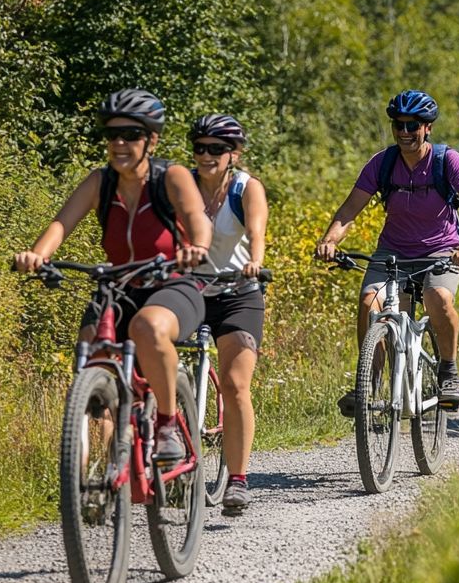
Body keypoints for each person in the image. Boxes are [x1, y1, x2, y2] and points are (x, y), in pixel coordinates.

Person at [13, 89, 211, 461]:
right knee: (90, 345)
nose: (120, 143)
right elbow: (62, 222)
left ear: (151, 139)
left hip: (172, 283)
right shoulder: (99, 182)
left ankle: (167, 425)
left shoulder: (172, 176)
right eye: (112, 134)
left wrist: (196, 247)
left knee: (147, 328)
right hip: (118, 287)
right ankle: (100, 460)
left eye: (131, 135)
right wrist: (37, 255)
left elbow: (197, 218)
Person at [315, 90, 459, 414]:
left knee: (439, 299)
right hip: (392, 252)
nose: (405, 132)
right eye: (399, 125)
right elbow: (350, 208)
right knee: (369, 302)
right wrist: (330, 240)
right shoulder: (383, 163)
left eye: (413, 125)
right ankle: (369, 382)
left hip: (442, 251)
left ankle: (448, 370)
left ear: (428, 128)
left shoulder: (447, 160)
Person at [188, 114, 268, 512]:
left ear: (233, 154)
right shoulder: (179, 186)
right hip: (189, 290)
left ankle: (237, 479)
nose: (206, 155)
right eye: (199, 147)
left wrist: (255, 261)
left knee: (236, 385)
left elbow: (256, 233)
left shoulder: (245, 187)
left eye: (216, 149)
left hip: (239, 292)